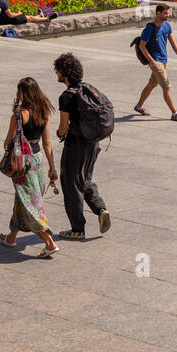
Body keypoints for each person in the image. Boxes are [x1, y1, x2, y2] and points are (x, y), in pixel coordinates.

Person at [0, 77, 60, 259]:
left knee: (30, 204)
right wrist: (52, 168)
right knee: (23, 198)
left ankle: (49, 242)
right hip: (38, 160)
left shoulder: (19, 115)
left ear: (22, 94)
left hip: (22, 163)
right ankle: (11, 237)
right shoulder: (44, 113)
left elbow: (8, 142)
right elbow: (47, 143)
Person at [53, 52, 111, 240]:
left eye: (57, 71)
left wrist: (60, 134)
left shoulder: (67, 96)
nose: (56, 74)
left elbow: (63, 127)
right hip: (93, 142)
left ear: (64, 72)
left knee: (70, 184)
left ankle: (77, 229)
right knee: (85, 178)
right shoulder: (88, 88)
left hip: (76, 145)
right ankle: (100, 209)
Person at [134, 4, 177, 121]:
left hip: (163, 60)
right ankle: (174, 113)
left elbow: (172, 41)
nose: (167, 15)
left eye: (168, 13)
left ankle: (138, 106)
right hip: (156, 62)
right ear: (158, 13)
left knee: (151, 84)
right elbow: (142, 46)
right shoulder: (150, 28)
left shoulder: (167, 26)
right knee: (166, 87)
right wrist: (151, 61)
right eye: (165, 13)